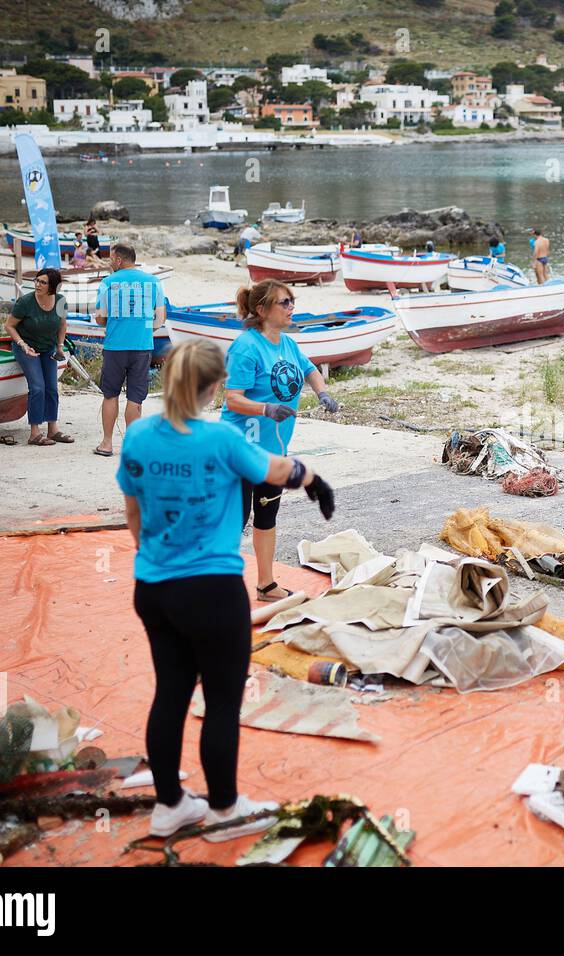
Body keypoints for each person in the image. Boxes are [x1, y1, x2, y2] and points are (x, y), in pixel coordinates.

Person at [118, 339, 336, 841]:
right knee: (220, 701)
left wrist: (157, 560)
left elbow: (133, 515)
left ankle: (169, 804)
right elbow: (279, 470)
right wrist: (315, 478)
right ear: (216, 387)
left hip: (153, 588)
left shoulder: (139, 436)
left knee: (170, 693)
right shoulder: (221, 441)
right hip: (212, 593)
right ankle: (223, 810)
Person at [221, 279, 341, 602]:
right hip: (240, 450)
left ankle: (265, 585)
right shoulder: (246, 347)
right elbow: (233, 399)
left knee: (266, 515)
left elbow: (308, 369)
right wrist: (265, 408)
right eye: (283, 302)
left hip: (272, 452)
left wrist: (322, 391)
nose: (291, 308)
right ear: (262, 310)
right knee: (234, 522)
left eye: (292, 301)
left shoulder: (287, 343)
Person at [92, 243, 166, 458]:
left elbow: (100, 318)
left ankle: (107, 443)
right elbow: (160, 319)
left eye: (110, 258)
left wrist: (114, 323)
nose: (109, 262)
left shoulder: (108, 283)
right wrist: (144, 330)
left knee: (110, 395)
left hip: (115, 346)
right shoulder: (153, 282)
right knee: (135, 398)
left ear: (118, 260)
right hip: (142, 346)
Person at [4, 268, 72, 446]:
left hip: (49, 348)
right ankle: (34, 433)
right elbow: (9, 326)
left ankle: (53, 429)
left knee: (52, 388)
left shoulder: (60, 301)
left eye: (43, 282)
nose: (37, 284)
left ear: (53, 287)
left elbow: (62, 325)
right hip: (27, 347)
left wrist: (59, 346)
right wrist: (22, 345)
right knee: (38, 388)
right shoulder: (25, 302)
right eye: (37, 280)